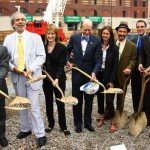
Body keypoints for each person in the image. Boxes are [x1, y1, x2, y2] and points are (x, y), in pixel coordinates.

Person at [3, 11, 46, 148]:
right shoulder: (8, 39)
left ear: (25, 22)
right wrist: (13, 67)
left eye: (23, 19)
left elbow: (41, 56)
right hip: (17, 76)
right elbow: (5, 58)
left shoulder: (36, 37)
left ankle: (40, 134)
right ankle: (25, 129)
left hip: (32, 76)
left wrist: (31, 68)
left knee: (34, 107)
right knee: (22, 104)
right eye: (18, 20)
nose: (21, 21)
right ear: (13, 23)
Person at [66, 19, 102, 133]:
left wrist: (94, 72)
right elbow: (67, 51)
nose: (87, 32)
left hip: (89, 76)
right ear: (81, 28)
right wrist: (68, 61)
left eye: (89, 30)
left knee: (89, 101)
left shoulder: (96, 40)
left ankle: (87, 123)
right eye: (85, 29)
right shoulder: (74, 38)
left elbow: (98, 60)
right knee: (77, 101)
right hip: (76, 75)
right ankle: (78, 124)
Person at [43, 24, 70, 136]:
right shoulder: (43, 47)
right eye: (48, 33)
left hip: (59, 80)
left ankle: (63, 126)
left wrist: (57, 78)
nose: (50, 36)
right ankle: (50, 123)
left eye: (52, 33)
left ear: (56, 35)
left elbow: (60, 66)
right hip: (46, 80)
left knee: (60, 102)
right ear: (46, 35)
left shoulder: (62, 48)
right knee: (48, 102)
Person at [96, 26, 119, 133]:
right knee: (100, 98)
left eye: (107, 34)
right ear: (101, 34)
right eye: (104, 33)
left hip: (109, 76)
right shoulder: (97, 45)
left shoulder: (114, 48)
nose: (105, 35)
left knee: (109, 99)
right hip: (99, 75)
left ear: (110, 35)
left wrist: (112, 80)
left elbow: (115, 66)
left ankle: (113, 121)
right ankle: (102, 117)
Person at [115, 22, 137, 113]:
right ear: (117, 31)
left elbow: (133, 60)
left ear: (127, 33)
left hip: (123, 75)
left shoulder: (132, 46)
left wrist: (129, 68)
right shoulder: (112, 43)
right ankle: (108, 112)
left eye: (124, 32)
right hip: (111, 75)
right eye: (120, 31)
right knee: (109, 96)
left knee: (121, 96)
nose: (122, 33)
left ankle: (119, 113)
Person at [131, 20, 147, 113]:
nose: (140, 28)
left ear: (145, 27)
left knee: (145, 92)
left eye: (142, 26)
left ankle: (145, 112)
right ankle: (136, 111)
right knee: (135, 91)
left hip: (146, 70)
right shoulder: (133, 41)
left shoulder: (148, 40)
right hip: (135, 71)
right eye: (138, 27)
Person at [138, 33, 150, 127]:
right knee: (146, 97)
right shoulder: (144, 38)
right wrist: (140, 63)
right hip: (146, 72)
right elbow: (141, 53)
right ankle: (148, 119)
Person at [0, 45, 10, 147]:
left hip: (0, 86)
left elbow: (4, 67)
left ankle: (1, 136)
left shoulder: (2, 49)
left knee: (1, 114)